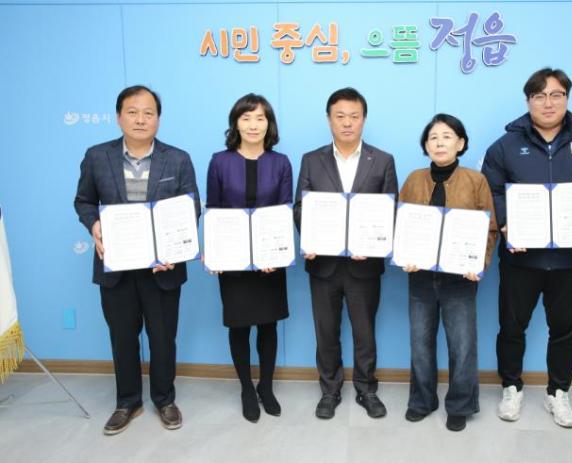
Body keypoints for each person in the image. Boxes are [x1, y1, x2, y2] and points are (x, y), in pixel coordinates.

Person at [481, 68, 572, 428]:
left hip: (570, 261)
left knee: (565, 330)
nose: (548, 102)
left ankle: (558, 393)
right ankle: (511, 387)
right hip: (520, 260)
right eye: (540, 95)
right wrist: (506, 223)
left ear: (567, 99)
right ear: (528, 100)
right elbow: (491, 190)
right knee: (511, 328)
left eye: (556, 95)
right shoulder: (505, 146)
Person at [74, 85, 200, 435]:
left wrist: (174, 251)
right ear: (119, 117)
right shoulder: (97, 156)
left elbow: (191, 207)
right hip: (116, 267)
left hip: (162, 269)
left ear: (158, 118)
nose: (140, 119)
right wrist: (94, 224)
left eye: (148, 113)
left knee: (163, 338)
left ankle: (164, 399)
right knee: (122, 337)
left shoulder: (178, 159)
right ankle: (127, 401)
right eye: (132, 112)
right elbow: (84, 201)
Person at [294, 87, 398, 419]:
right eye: (340, 116)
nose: (347, 123)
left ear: (363, 119)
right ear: (329, 120)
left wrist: (374, 245)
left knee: (365, 332)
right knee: (326, 331)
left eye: (354, 116)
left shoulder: (382, 160)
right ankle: (330, 390)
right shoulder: (312, 160)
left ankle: (367, 389)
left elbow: (390, 210)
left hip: (364, 266)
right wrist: (310, 238)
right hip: (323, 265)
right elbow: (301, 207)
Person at [399, 114, 497, 431]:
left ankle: (460, 405)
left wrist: (479, 263)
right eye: (433, 137)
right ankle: (422, 401)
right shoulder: (413, 179)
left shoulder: (475, 180)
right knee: (420, 344)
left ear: (460, 143)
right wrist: (404, 255)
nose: (439, 142)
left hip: (460, 279)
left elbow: (490, 229)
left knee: (462, 345)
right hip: (420, 277)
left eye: (447, 136)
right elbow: (401, 223)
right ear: (426, 145)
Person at [206, 94, 292, 423]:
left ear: (269, 124)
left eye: (260, 118)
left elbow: (284, 211)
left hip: (271, 260)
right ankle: (245, 388)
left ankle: (265, 387)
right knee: (239, 325)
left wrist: (276, 252)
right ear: (236, 123)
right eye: (246, 118)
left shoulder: (281, 162)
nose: (253, 125)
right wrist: (214, 252)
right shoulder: (219, 162)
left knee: (268, 324)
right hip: (233, 260)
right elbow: (213, 211)